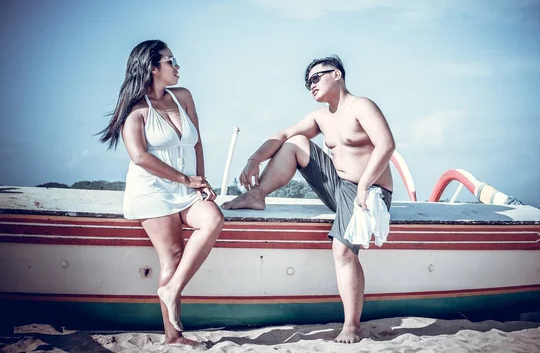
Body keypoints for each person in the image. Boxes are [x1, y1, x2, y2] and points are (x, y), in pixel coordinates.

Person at [222, 55, 395, 343]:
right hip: (338, 186)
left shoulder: (361, 106)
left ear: (336, 74)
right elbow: (283, 134)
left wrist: (365, 185)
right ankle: (256, 195)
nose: (310, 85)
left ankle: (352, 326)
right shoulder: (321, 117)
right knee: (295, 142)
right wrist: (254, 159)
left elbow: (387, 144)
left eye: (315, 78)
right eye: (307, 82)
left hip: (370, 190)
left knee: (343, 251)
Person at [99, 40, 224, 346]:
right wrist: (185, 178)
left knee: (213, 219)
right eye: (171, 61)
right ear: (153, 69)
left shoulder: (183, 96)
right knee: (173, 255)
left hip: (187, 188)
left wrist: (200, 180)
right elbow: (140, 156)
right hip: (152, 189)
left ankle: (171, 290)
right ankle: (174, 336)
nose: (177, 66)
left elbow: (195, 142)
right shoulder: (136, 110)